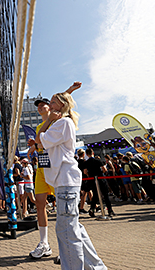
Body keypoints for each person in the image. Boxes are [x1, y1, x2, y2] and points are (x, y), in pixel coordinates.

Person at [36, 92, 107, 270]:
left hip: (65, 181)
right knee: (74, 227)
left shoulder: (62, 123)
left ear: (61, 105)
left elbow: (40, 140)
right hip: (65, 181)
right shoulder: (62, 123)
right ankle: (96, 267)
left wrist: (46, 122)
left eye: (53, 102)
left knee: (66, 230)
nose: (50, 105)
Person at [27, 82, 82, 260]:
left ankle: (66, 250)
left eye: (46, 103)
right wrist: (31, 150)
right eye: (40, 105)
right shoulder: (40, 126)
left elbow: (62, 101)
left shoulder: (59, 122)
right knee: (40, 202)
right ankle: (44, 243)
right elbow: (37, 144)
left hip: (59, 167)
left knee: (64, 207)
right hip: (43, 165)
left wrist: (70, 90)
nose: (43, 105)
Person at [84, 148, 115, 217]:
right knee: (105, 195)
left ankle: (92, 209)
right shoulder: (98, 160)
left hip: (92, 179)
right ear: (93, 153)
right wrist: (101, 172)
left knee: (95, 195)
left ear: (86, 154)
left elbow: (85, 172)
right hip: (101, 178)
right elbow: (104, 169)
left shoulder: (86, 162)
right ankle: (110, 210)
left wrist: (90, 174)